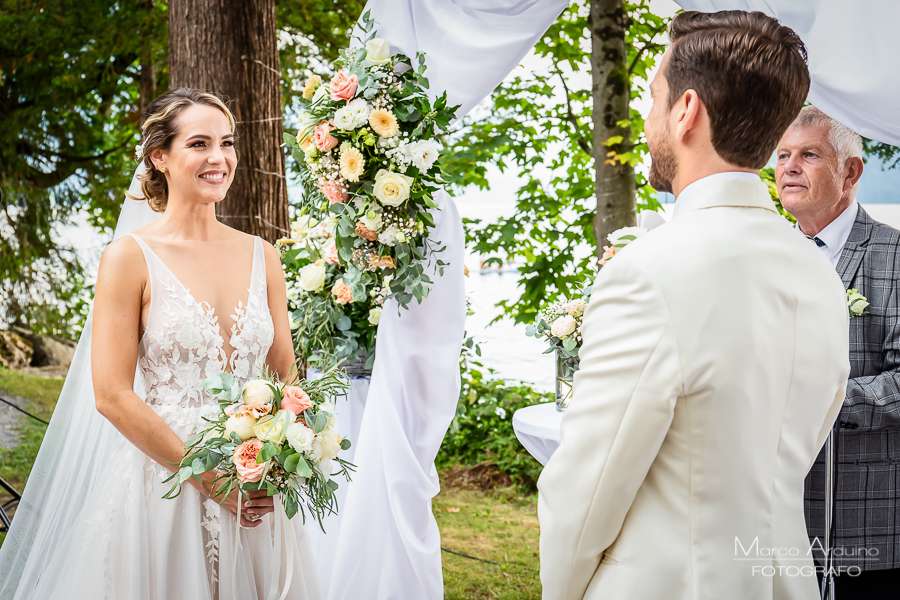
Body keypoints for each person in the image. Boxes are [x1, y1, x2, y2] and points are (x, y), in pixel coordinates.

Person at [538, 11, 850, 600]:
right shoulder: (818, 271)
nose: (647, 117)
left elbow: (586, 489)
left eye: (654, 97)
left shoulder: (649, 273)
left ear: (686, 111)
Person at [0, 88, 321, 599]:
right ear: (160, 157)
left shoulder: (264, 256)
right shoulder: (128, 258)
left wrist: (282, 458)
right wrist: (206, 476)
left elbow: (285, 373)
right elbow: (111, 393)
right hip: (166, 484)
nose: (219, 158)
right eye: (199, 143)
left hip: (253, 481)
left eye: (227, 143)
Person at [777, 106, 900, 598]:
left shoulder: (893, 256)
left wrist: (818, 400)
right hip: (776, 521)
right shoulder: (770, 254)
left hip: (865, 519)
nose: (789, 166)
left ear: (850, 171)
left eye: (809, 154)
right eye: (783, 154)